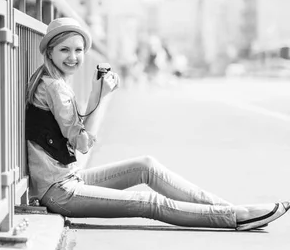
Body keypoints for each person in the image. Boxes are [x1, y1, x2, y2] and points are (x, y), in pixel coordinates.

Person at [25, 17, 288, 231]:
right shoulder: (56, 88)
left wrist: (97, 93)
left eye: (78, 50)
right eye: (64, 50)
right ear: (49, 51)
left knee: (146, 166)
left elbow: (73, 131)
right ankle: (233, 217)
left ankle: (225, 209)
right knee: (147, 202)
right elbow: (82, 144)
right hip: (59, 191)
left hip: (67, 178)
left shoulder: (53, 80)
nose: (73, 57)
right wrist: (103, 97)